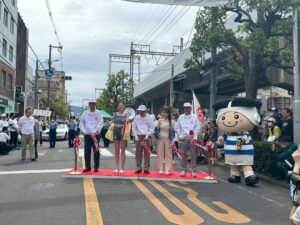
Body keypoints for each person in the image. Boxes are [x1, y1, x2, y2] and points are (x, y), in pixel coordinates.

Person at [213, 97, 262, 186]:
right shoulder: (228, 133)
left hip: (243, 150)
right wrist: (221, 138)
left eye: (236, 116)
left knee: (245, 163)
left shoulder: (244, 132)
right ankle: (235, 175)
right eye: (223, 118)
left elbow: (246, 135)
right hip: (231, 151)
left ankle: (249, 175)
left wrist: (244, 137)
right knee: (234, 163)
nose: (228, 121)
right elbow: (225, 136)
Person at [175, 102, 201, 177]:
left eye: (188, 108)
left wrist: (195, 136)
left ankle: (193, 170)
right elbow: (177, 127)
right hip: (183, 138)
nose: (186, 109)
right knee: (183, 155)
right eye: (185, 108)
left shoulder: (195, 117)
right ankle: (183, 170)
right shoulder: (180, 117)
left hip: (192, 138)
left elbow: (197, 127)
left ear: (190, 108)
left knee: (193, 155)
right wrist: (179, 135)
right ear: (184, 108)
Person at [80, 99, 103, 173]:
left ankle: (96, 167)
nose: (92, 105)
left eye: (93, 104)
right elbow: (82, 122)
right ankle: (87, 167)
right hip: (87, 134)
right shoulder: (85, 113)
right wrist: (83, 131)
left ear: (95, 104)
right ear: (88, 104)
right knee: (87, 151)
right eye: (90, 104)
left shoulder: (99, 113)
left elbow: (100, 122)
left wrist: (96, 130)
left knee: (96, 150)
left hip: (96, 134)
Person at [132, 105, 155, 174]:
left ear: (145, 111)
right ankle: (138, 167)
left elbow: (152, 127)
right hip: (139, 136)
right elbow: (134, 127)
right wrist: (135, 136)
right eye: (140, 111)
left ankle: (146, 168)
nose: (141, 113)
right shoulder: (136, 117)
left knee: (147, 152)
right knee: (138, 152)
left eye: (142, 111)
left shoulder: (149, 118)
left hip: (146, 136)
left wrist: (148, 134)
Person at [156, 107, 175, 175]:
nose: (164, 114)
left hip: (168, 138)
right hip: (160, 138)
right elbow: (156, 129)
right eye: (163, 112)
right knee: (160, 153)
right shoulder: (160, 120)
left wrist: (173, 139)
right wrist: (157, 134)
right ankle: (160, 168)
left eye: (165, 113)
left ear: (168, 114)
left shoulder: (172, 121)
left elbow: (173, 131)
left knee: (168, 154)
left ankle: (168, 169)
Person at [112, 101, 129, 173]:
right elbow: (112, 124)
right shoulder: (114, 114)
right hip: (116, 133)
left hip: (123, 134)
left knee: (123, 151)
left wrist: (124, 125)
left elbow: (127, 125)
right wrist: (116, 126)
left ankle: (122, 167)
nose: (120, 107)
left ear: (124, 107)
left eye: (122, 105)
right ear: (117, 107)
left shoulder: (126, 115)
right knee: (116, 151)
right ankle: (117, 167)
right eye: (119, 105)